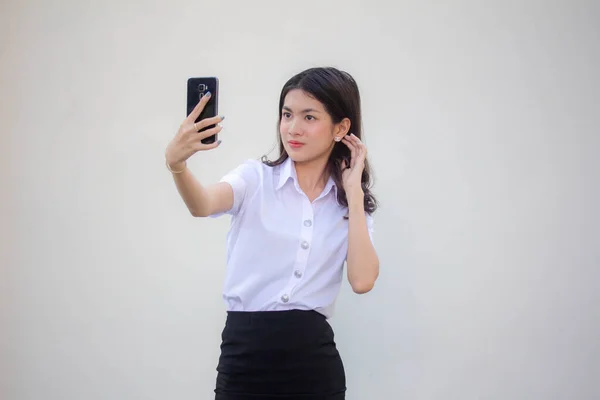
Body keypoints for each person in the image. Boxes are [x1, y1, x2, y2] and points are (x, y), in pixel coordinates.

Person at [165, 67, 380, 399]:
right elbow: (203, 204)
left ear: (341, 128)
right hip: (244, 359)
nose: (293, 129)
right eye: (287, 114)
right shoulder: (255, 179)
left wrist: (353, 193)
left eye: (309, 117)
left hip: (314, 366)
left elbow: (363, 281)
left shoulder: (349, 206)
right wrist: (177, 165)